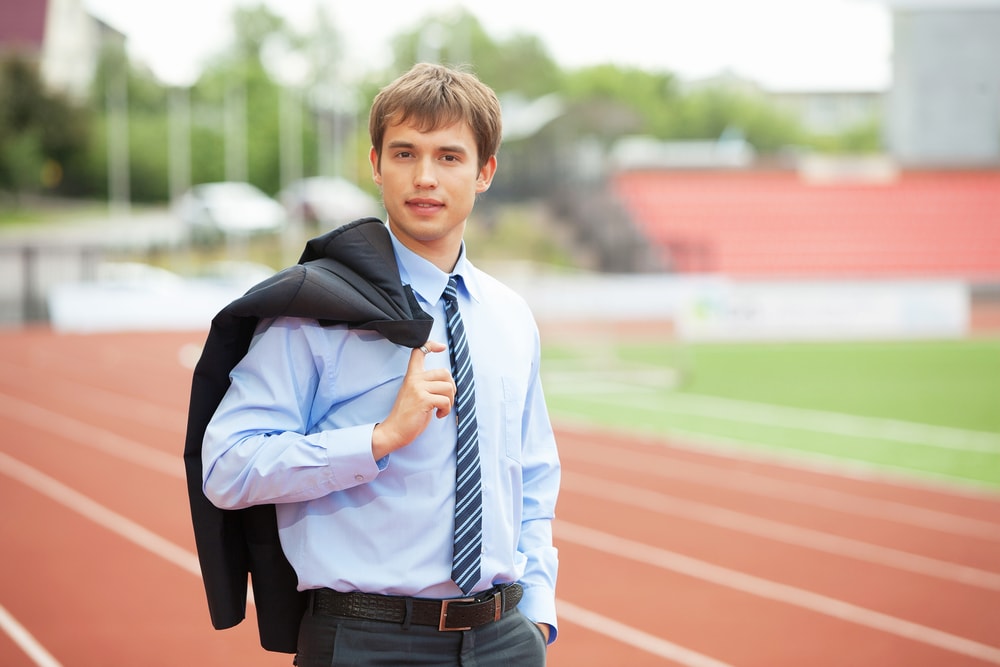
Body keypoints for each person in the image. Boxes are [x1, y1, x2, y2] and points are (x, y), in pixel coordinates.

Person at [199, 62, 561, 666]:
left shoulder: (510, 316)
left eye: (449, 157)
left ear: (485, 173)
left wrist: (536, 615)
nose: (424, 177)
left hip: (502, 640)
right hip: (368, 640)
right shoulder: (314, 310)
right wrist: (377, 439)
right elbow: (227, 466)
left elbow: (533, 476)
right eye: (404, 154)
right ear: (375, 165)